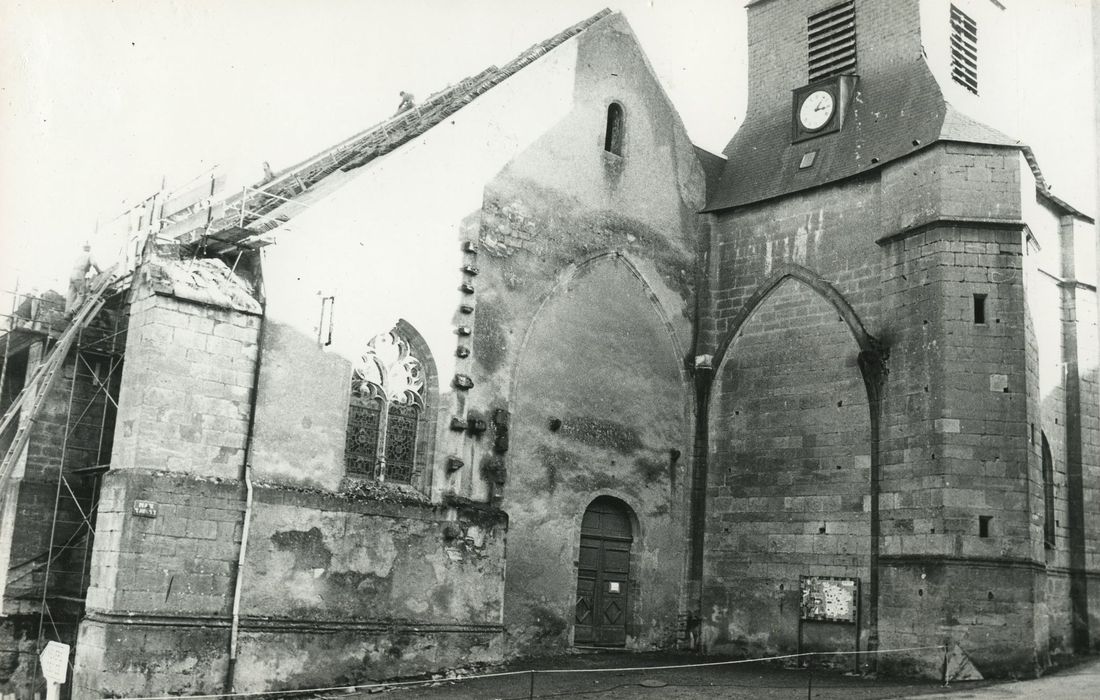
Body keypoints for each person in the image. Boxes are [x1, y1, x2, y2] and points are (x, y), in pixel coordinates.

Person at [65, 243, 101, 317]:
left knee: (71, 294)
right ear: (89, 248)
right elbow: (94, 263)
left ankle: (66, 314)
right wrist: (99, 271)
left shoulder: (79, 255)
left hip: (72, 274)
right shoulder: (89, 254)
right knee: (81, 294)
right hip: (80, 273)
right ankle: (73, 310)